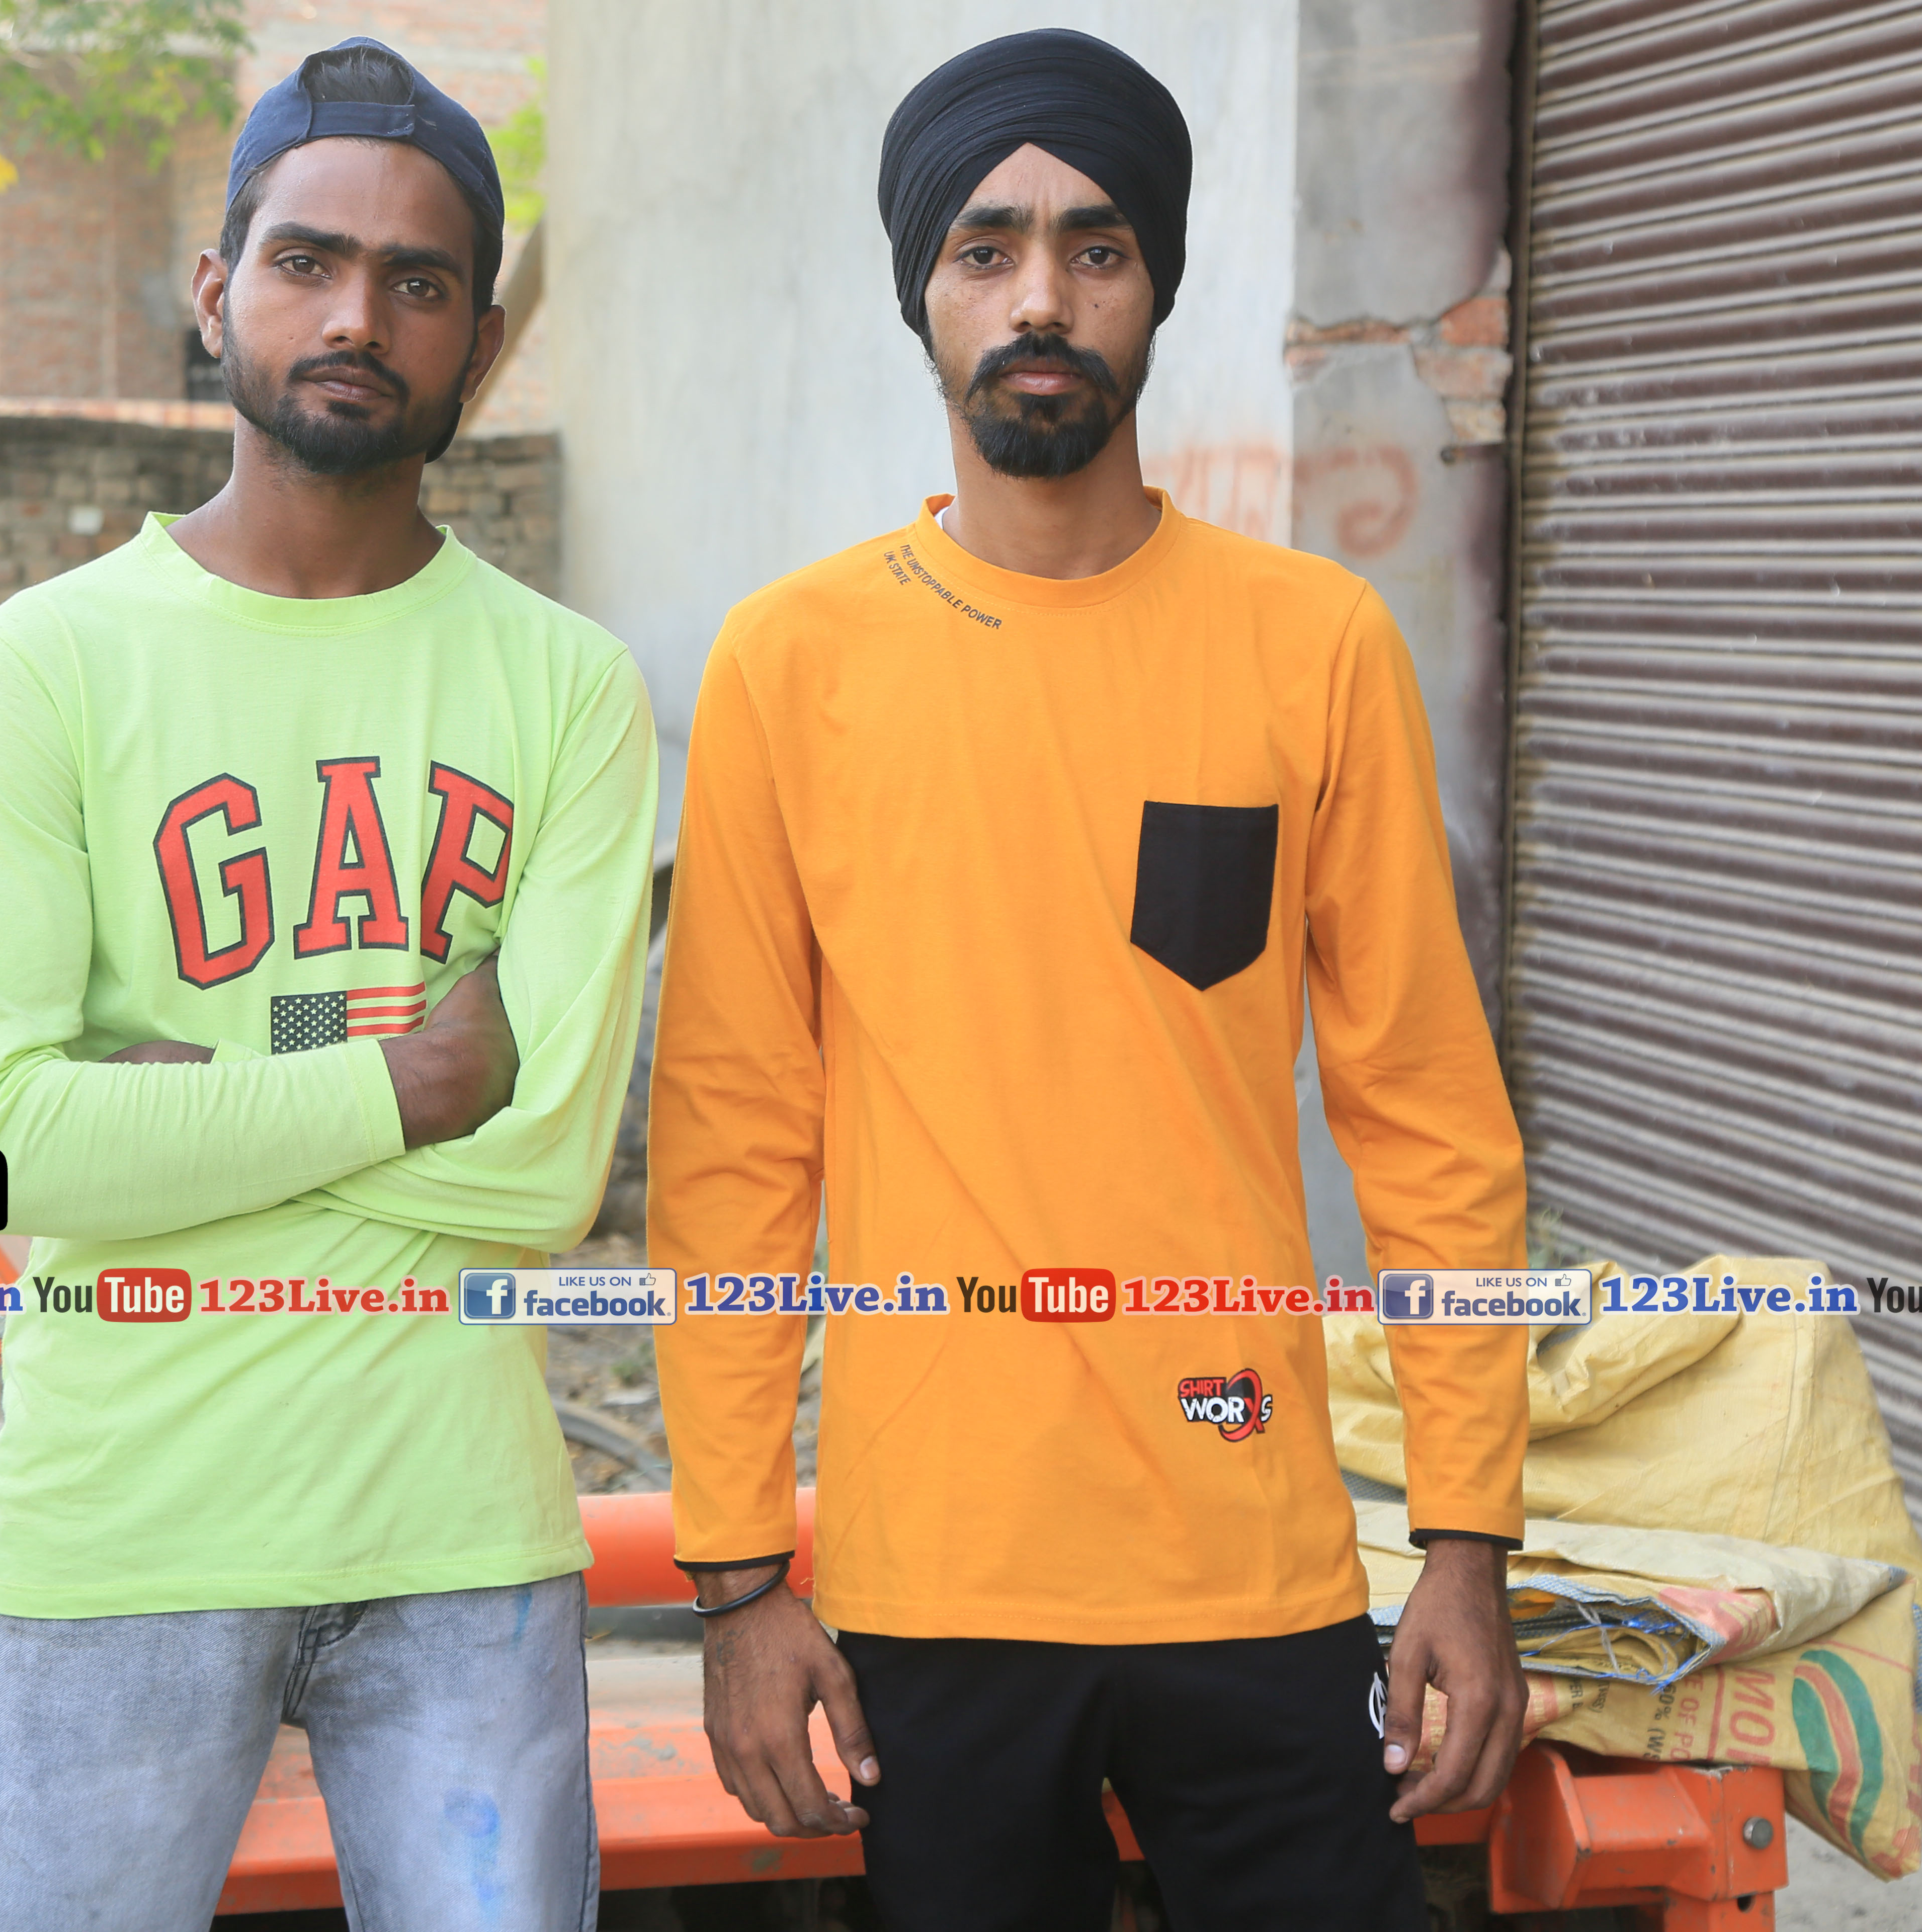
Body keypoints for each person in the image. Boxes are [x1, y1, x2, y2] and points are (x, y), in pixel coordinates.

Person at [647, 28, 1529, 1932]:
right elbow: (732, 1149)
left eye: (1097, 246)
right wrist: (737, 1581)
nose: (1040, 297)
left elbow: (1428, 1119)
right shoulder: (792, 667)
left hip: (1254, 1558)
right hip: (932, 1584)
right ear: (923, 292)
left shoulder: (1312, 645)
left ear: (1158, 285)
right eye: (987, 248)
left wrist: (1468, 1539)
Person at [0, 38, 653, 1931]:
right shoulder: (45, 665)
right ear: (214, 290)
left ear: (482, 344)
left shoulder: (569, 688)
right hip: (116, 1533)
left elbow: (545, 1176)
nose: (356, 318)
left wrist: (164, 1119)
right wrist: (401, 1082)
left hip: (460, 1544)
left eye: (419, 281)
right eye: (307, 260)